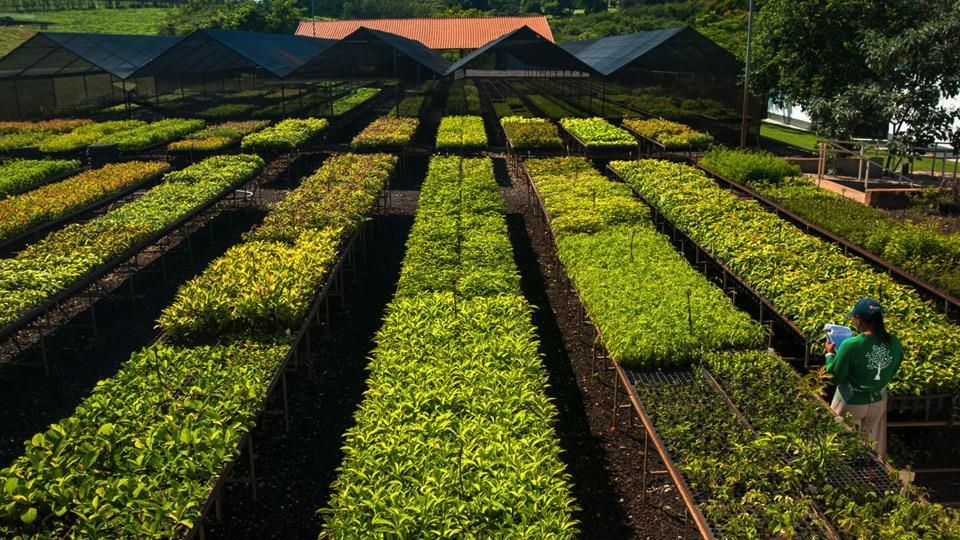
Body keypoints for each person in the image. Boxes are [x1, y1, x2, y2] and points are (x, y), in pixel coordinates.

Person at [825, 298, 903, 460]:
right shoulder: (895, 342)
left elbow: (833, 377)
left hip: (851, 400)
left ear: (858, 319)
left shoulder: (851, 344)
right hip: (877, 402)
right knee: (864, 445)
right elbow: (893, 370)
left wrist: (830, 354)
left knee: (838, 444)